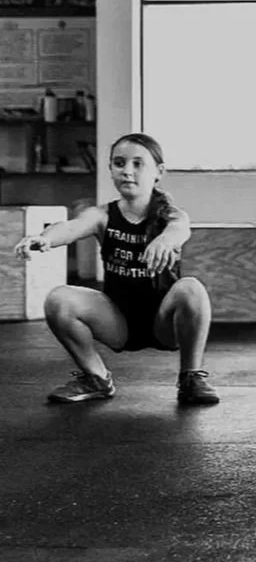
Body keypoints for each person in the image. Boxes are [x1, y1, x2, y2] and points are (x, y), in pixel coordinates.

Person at [13, 133, 220, 406]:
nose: (127, 171)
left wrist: (167, 240)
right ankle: (96, 378)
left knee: (192, 288)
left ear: (158, 172)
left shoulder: (171, 216)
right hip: (118, 321)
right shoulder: (102, 216)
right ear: (110, 169)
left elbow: (179, 229)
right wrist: (44, 239)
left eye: (138, 164)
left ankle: (191, 377)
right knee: (58, 299)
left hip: (164, 322)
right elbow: (71, 227)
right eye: (119, 163)